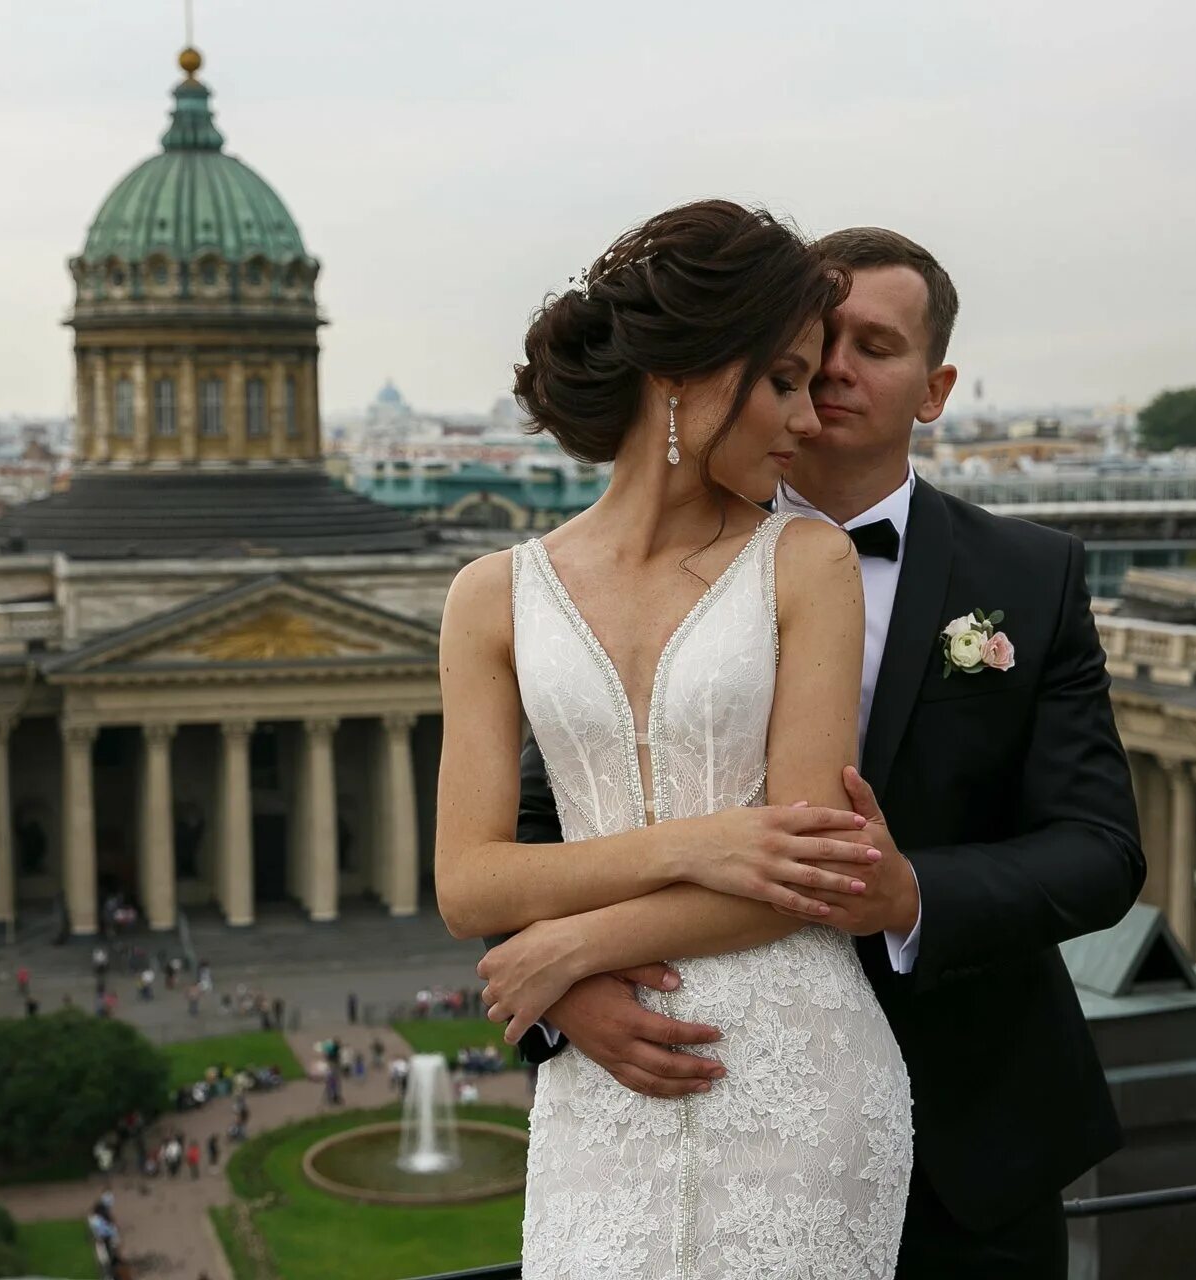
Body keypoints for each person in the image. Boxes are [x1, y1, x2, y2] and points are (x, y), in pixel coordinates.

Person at [492, 224, 1143, 1278]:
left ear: (935, 389)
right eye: (812, 344)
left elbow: (1102, 849)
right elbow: (544, 817)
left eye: (874, 347)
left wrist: (908, 896)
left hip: (975, 1137)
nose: (833, 371)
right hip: (704, 1095)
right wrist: (562, 993)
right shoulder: (647, 566)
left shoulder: (1033, 576)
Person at [437, 200, 905, 1276]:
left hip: (796, 1068)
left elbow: (804, 867)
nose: (808, 416)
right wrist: (692, 843)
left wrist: (570, 946)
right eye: (784, 379)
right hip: (601, 1077)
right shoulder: (491, 597)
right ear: (683, 377)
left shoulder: (809, 561)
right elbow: (468, 883)